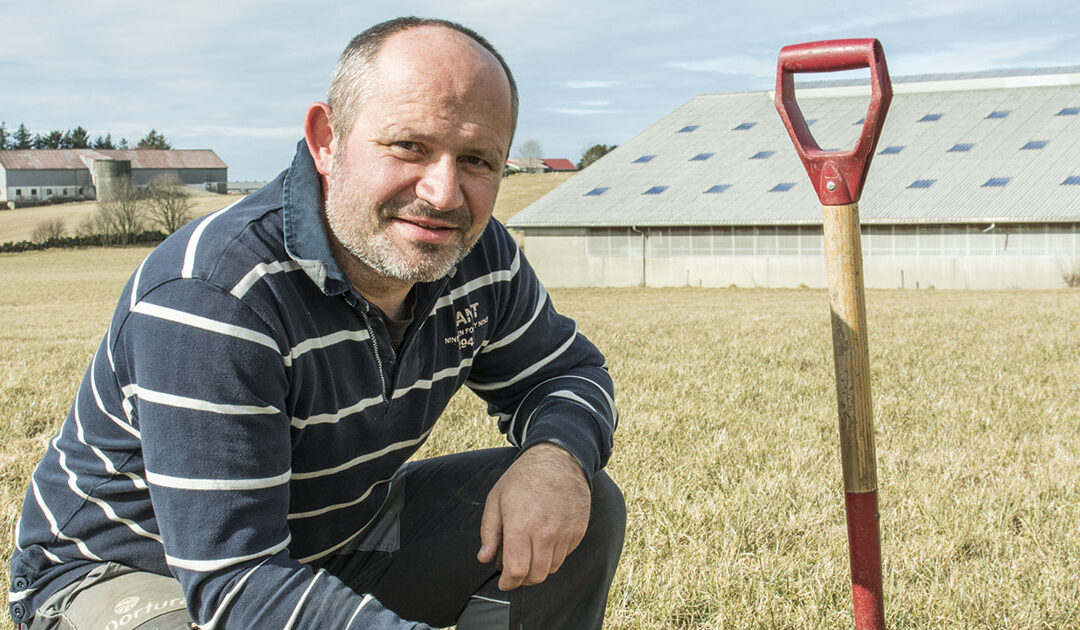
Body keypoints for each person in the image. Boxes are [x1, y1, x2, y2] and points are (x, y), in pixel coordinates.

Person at [8, 17, 624, 630]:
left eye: (476, 160)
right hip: (133, 573)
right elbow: (235, 583)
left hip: (332, 541)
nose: (443, 193)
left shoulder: (476, 255)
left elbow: (565, 374)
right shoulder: (218, 293)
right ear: (327, 140)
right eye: (409, 146)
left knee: (581, 500)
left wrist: (556, 457)